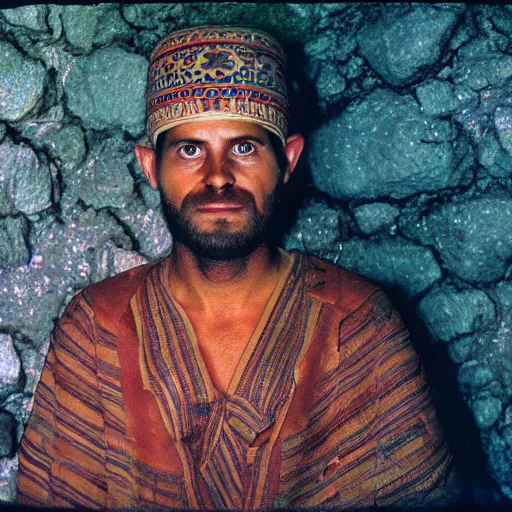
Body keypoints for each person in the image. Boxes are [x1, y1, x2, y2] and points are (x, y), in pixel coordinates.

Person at [17, 26, 458, 510]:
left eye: (244, 147)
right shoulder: (95, 328)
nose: (218, 175)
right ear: (150, 167)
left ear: (287, 160)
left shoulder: (357, 324)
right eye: (189, 149)